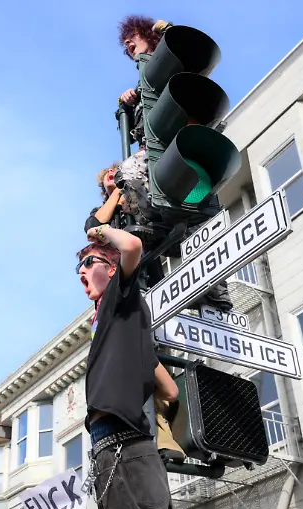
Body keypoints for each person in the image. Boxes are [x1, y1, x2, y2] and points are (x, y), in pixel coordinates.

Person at [114, 14, 235, 313]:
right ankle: (154, 222)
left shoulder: (171, 63)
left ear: (149, 36)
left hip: (186, 149)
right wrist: (128, 101)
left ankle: (217, 290)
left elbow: (190, 65)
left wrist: (169, 34)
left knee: (200, 213)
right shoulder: (146, 81)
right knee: (129, 174)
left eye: (133, 38)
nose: (129, 45)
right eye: (125, 44)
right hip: (161, 155)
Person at [77, 222, 175, 509]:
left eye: (87, 262)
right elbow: (170, 390)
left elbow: (131, 246)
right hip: (118, 449)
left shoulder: (117, 296)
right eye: (78, 268)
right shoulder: (122, 330)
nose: (81, 271)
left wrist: (101, 230)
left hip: (124, 446)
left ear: (112, 270)